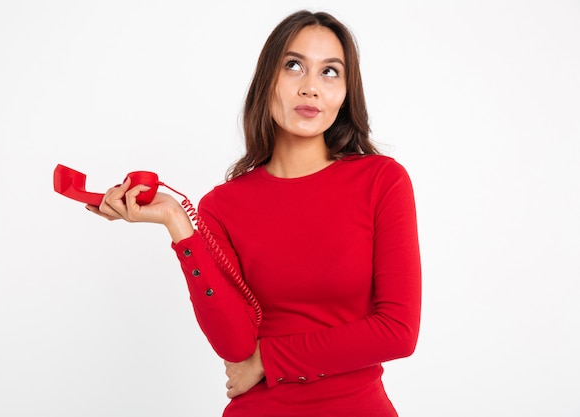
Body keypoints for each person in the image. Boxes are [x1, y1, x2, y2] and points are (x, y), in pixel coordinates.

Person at [87, 9, 421, 417]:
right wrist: (180, 227)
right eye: (294, 66)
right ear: (268, 81)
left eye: (330, 72)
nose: (311, 88)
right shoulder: (223, 206)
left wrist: (269, 360)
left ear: (346, 93)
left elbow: (398, 332)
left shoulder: (381, 181)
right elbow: (235, 347)